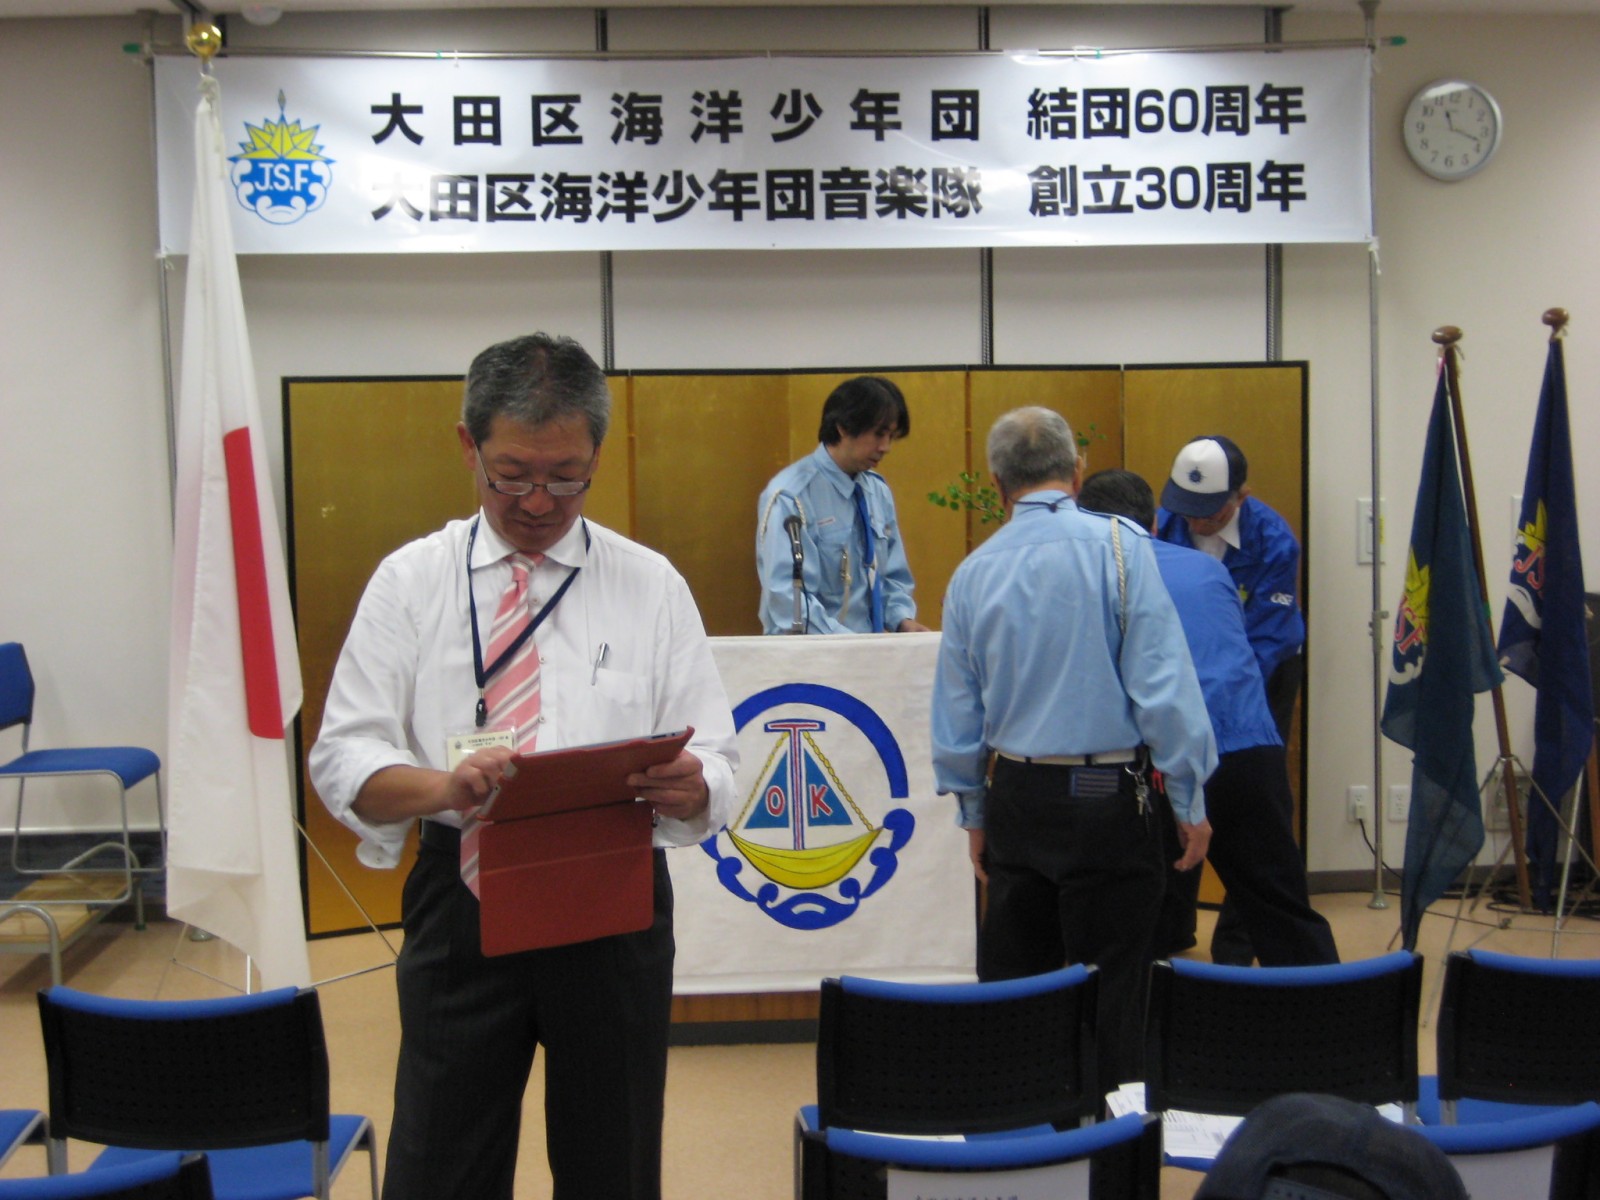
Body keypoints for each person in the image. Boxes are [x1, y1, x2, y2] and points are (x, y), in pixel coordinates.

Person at [308, 332, 738, 1200]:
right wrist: (442, 787)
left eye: (566, 477)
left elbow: (719, 759)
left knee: (612, 1165)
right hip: (462, 900)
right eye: (512, 475)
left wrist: (697, 785)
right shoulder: (411, 581)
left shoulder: (649, 583)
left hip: (611, 901)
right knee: (441, 1163)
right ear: (468, 446)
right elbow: (343, 754)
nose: (539, 502)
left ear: (597, 456)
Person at [930, 406, 1217, 1098]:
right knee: (1116, 985)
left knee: (1017, 987)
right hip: (1107, 796)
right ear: (1078, 474)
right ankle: (1109, 1133)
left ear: (997, 485)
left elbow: (958, 714)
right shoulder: (1122, 548)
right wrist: (1187, 796)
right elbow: (1164, 688)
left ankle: (1023, 1125)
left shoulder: (971, 573)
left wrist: (973, 813)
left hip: (1016, 795)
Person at [1078, 469, 1337, 967]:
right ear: (1156, 522)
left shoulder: (1086, 581)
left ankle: (1147, 1007)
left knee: (1129, 911)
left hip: (1149, 758)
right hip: (1245, 746)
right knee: (1279, 901)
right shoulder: (1207, 570)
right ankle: (1329, 1005)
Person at [1157, 434, 1306, 965]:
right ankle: (1171, 931)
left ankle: (1238, 945)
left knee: (1253, 804)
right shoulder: (1164, 524)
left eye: (1210, 511)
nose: (1196, 521)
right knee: (1174, 797)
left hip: (1257, 675)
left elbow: (1267, 639)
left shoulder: (1274, 540)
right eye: (1187, 507)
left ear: (1241, 496)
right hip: (1184, 674)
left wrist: (1220, 699)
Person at [756, 375, 931, 635]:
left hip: (867, 650)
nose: (886, 447)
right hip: (812, 652)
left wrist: (902, 620)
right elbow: (788, 602)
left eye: (891, 436)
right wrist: (850, 647)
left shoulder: (877, 491)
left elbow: (891, 577)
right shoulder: (791, 496)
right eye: (879, 434)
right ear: (843, 427)